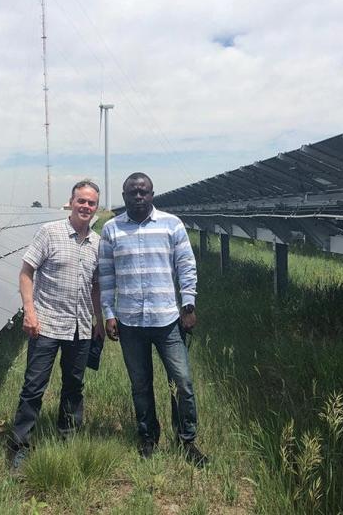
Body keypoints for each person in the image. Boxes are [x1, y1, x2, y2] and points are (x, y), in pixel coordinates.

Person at [99, 172, 208, 467]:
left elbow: (186, 265)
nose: (138, 197)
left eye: (143, 192)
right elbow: (107, 276)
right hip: (130, 322)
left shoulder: (171, 224)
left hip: (167, 320)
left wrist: (188, 304)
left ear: (151, 194)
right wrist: (109, 314)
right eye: (132, 192)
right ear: (124, 196)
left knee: (182, 382)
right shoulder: (111, 229)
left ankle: (186, 440)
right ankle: (148, 437)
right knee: (140, 384)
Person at [9, 180, 105, 468]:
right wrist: (29, 311)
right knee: (34, 386)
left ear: (96, 207)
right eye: (81, 201)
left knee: (74, 386)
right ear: (71, 202)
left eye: (91, 203)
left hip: (80, 327)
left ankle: (68, 437)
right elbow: (26, 273)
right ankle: (19, 446)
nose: (86, 206)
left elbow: (96, 286)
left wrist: (98, 320)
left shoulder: (97, 243)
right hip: (46, 324)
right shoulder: (50, 233)